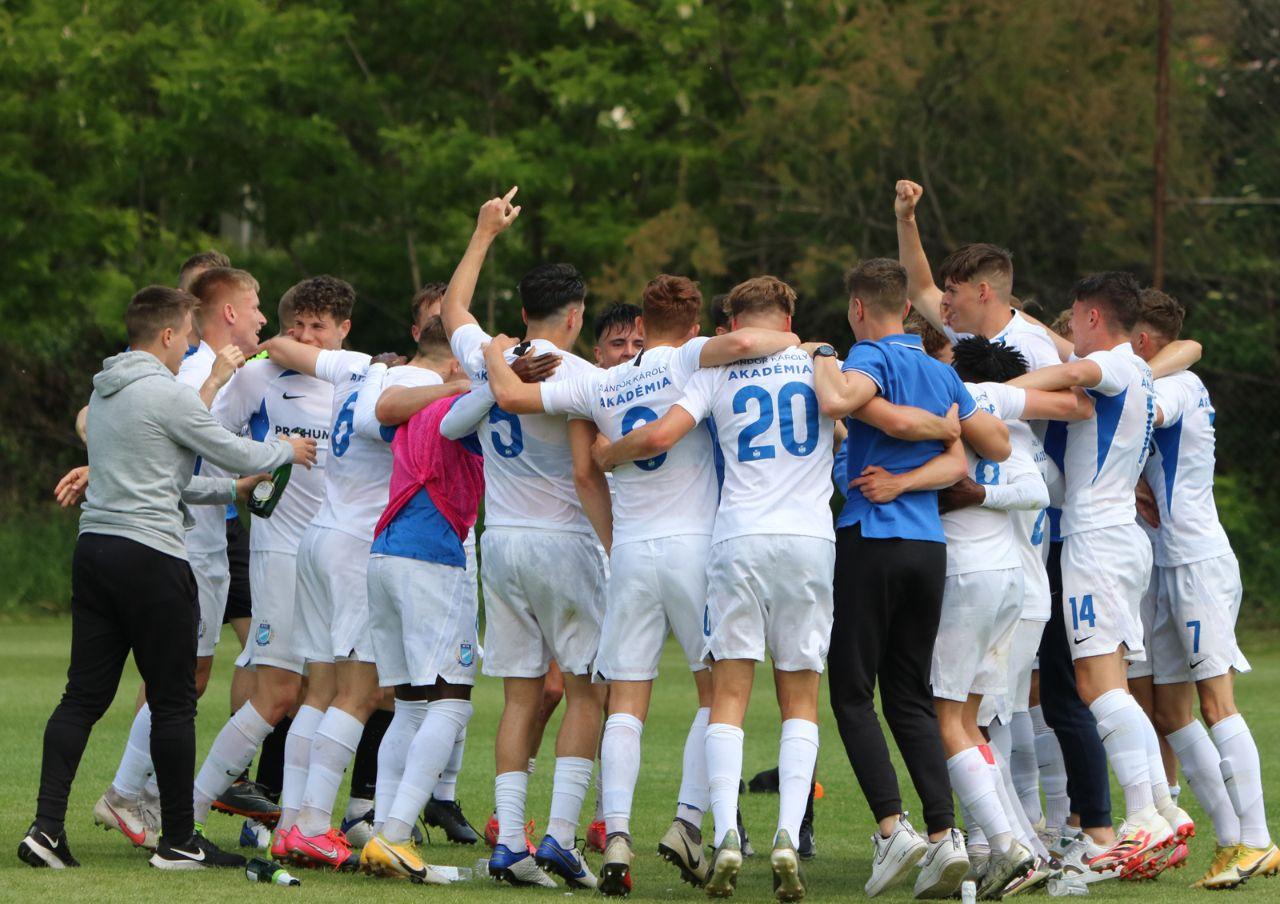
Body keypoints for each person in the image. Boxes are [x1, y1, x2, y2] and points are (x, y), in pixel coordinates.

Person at [485, 274, 799, 896]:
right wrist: (803, 345)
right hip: (695, 550)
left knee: (626, 701)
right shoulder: (688, 360)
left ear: (642, 325)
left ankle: (618, 834)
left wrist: (496, 350)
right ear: (692, 327)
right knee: (717, 693)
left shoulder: (598, 381)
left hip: (629, 551)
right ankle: (688, 820)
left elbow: (517, 403)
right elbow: (747, 344)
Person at [19, 286, 315, 872]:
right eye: (187, 336)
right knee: (175, 700)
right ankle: (179, 840)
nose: (189, 347)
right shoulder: (168, 392)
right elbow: (234, 450)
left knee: (82, 697)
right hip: (152, 558)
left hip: (94, 551)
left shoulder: (105, 391)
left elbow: (167, 477)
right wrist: (283, 451)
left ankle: (45, 830)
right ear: (168, 335)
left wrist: (230, 492)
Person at [810, 258, 1011, 899]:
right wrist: (913, 468)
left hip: (872, 537)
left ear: (858, 308)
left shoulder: (867, 355)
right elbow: (968, 454)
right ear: (906, 307)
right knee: (909, 696)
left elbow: (836, 399)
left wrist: (821, 353)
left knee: (850, 691)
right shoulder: (941, 370)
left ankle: (891, 828)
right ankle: (945, 834)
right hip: (928, 546)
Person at [441, 189, 610, 889]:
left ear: (523, 312)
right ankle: (562, 837)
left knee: (518, 697)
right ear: (575, 316)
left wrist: (483, 233)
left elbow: (453, 309)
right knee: (587, 692)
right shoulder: (585, 375)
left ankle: (510, 841)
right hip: (564, 542)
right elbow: (598, 465)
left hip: (501, 541)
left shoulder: (492, 356)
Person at [1008, 272, 1192, 871]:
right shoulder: (1138, 366)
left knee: (1098, 685)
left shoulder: (1111, 362)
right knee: (1108, 680)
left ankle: (1141, 816)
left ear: (1091, 316)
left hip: (1096, 541)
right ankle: (1161, 809)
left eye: (1075, 314)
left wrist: (993, 391)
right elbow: (1064, 352)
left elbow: (1072, 373)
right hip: (1119, 538)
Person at [94, 267, 270, 851]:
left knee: (189, 677)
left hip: (208, 538)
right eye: (255, 306)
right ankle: (125, 793)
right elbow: (173, 441)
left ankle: (142, 794)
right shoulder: (198, 372)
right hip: (184, 542)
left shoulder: (219, 368)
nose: (262, 318)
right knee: (180, 678)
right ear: (228, 313)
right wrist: (276, 454)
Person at [188, 278, 344, 853]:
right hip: (279, 549)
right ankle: (189, 813)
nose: (305, 336)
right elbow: (200, 431)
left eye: (318, 326)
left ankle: (294, 828)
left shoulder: (353, 380)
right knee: (278, 693)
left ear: (343, 330)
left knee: (322, 692)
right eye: (296, 325)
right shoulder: (258, 376)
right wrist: (243, 480)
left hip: (334, 555)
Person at [1129, 289, 1279, 887]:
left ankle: (1258, 841)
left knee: (1217, 704)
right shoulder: (1171, 374)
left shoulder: (1177, 385)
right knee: (1170, 711)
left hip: (1196, 560)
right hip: (1167, 563)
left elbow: (1143, 410)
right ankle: (1231, 839)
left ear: (1143, 341)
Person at [935, 338, 1090, 896]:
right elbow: (1050, 488)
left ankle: (1006, 846)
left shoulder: (980, 416)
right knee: (991, 722)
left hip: (998, 587)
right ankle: (1019, 843)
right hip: (1018, 588)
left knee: (978, 722)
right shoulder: (1016, 428)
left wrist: (977, 493)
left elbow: (1032, 493)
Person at [354, 322, 489, 882]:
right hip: (430, 558)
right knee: (452, 701)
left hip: (385, 554)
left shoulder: (408, 406)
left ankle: (384, 838)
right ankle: (396, 833)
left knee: (409, 706)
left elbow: (378, 414)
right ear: (456, 365)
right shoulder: (460, 403)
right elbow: (487, 400)